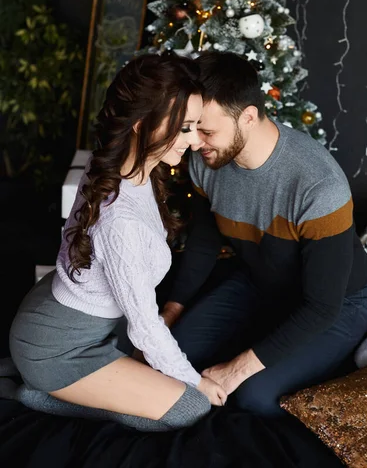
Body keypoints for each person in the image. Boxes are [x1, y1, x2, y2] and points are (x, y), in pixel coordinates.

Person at [4, 53, 227, 432]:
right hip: (56, 348)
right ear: (142, 124)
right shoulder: (120, 219)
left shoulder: (119, 165)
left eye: (193, 126)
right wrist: (196, 382)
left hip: (66, 315)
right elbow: (144, 327)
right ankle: (39, 396)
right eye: (184, 127)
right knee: (190, 408)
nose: (193, 141)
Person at [160, 51, 367, 418]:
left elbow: (322, 306)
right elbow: (204, 241)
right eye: (192, 127)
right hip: (260, 284)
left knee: (253, 398)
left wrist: (235, 369)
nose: (194, 143)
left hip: (335, 305)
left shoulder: (317, 185)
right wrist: (173, 308)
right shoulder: (208, 161)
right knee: (175, 358)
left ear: (248, 116)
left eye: (206, 130)